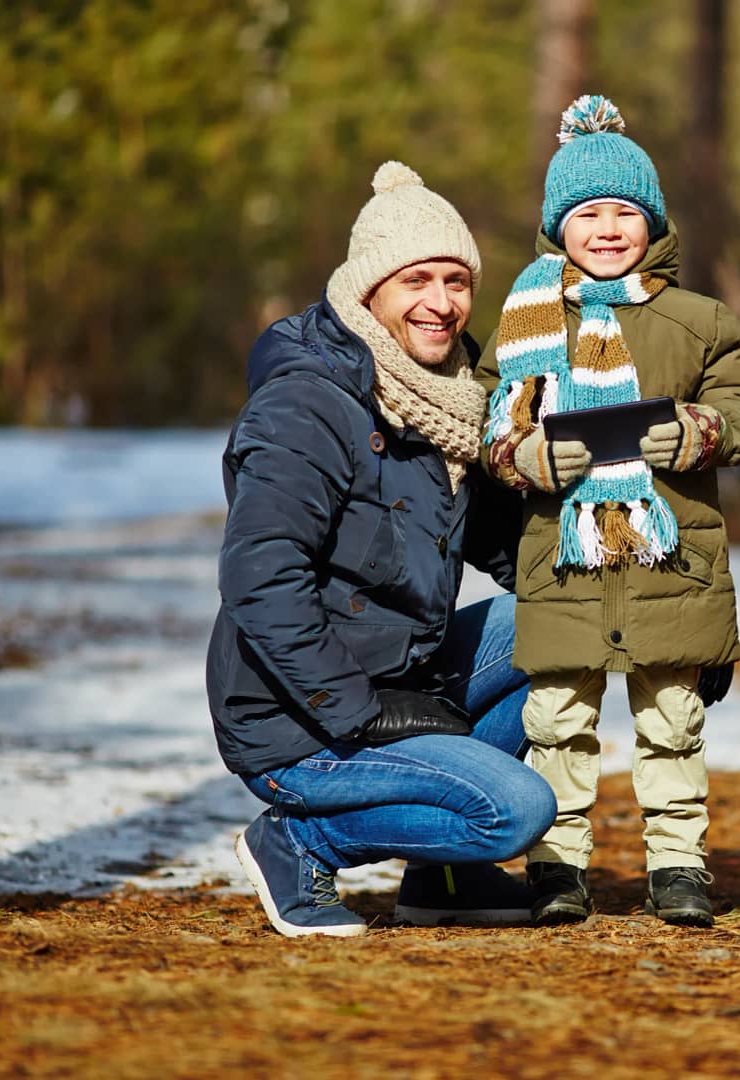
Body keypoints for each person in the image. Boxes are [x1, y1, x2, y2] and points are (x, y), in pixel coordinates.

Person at [207, 162, 557, 938]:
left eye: (458, 281)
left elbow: (514, 549)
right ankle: (297, 841)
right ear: (369, 290)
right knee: (516, 810)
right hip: (296, 715)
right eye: (417, 281)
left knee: (560, 630)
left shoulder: (454, 403)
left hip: (403, 673)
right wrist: (359, 712)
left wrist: (655, 628)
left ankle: (445, 881)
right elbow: (260, 577)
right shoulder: (308, 403)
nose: (442, 304)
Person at [477, 96, 740, 928]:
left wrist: (700, 429)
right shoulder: (526, 324)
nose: (606, 230)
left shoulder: (697, 320)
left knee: (671, 720)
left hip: (668, 558)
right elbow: (490, 415)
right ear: (556, 228)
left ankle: (677, 864)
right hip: (561, 559)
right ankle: (556, 868)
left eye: (624, 213)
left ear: (652, 223)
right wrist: (522, 455)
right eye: (586, 214)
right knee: (557, 723)